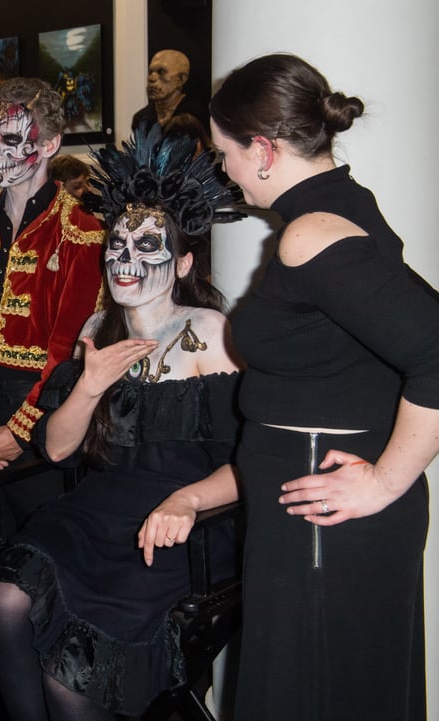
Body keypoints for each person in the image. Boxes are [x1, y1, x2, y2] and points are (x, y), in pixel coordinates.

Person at [0, 123, 243, 720]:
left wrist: (188, 502)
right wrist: (90, 385)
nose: (127, 260)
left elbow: (250, 461)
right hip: (99, 509)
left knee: (73, 677)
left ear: (182, 263)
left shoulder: (212, 335)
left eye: (149, 247)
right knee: (4, 599)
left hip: (184, 525)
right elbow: (61, 450)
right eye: (118, 246)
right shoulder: (98, 330)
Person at [209, 53, 439, 721]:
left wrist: (385, 480)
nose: (223, 169)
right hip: (315, 510)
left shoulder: (310, 232)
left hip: (321, 514)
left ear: (262, 150)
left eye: (224, 152)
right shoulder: (339, 207)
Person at [0, 77, 106, 541]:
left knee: (42, 564)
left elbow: (69, 353)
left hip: (48, 418)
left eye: (12, 139)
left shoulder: (83, 237)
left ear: (49, 144)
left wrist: (21, 432)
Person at [131, 50, 208, 134]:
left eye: (161, 72)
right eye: (150, 72)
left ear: (181, 79)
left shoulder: (197, 116)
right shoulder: (141, 119)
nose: (151, 78)